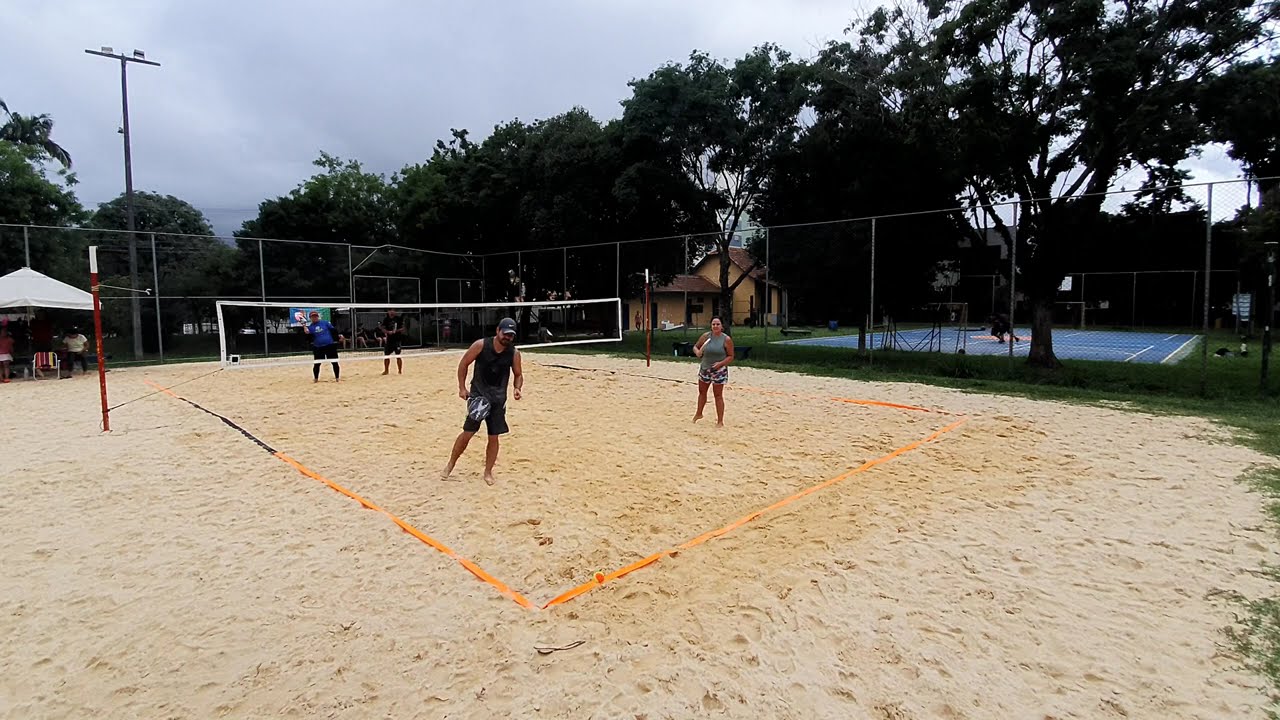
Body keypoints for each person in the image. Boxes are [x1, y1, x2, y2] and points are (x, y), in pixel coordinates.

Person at [442, 317, 523, 486]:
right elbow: (463, 364)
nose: (507, 337)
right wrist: (462, 388)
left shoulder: (514, 353)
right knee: (467, 433)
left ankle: (488, 472)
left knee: (494, 437)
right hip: (479, 396)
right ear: (498, 331)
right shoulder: (480, 345)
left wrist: (517, 388)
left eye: (511, 335)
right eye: (505, 334)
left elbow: (518, 374)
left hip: (498, 399)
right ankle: (450, 464)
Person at [692, 317, 734, 426]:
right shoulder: (706, 336)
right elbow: (696, 347)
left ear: (722, 326)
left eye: (717, 324)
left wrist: (720, 364)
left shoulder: (726, 339)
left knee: (718, 395)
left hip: (719, 370)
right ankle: (698, 413)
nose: (715, 326)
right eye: (713, 324)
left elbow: (730, 356)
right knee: (702, 393)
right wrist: (697, 352)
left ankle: (720, 421)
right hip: (705, 368)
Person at [302, 310, 343, 382]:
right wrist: (306, 330)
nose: (314, 318)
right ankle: (316, 379)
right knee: (317, 363)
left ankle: (337, 378)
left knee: (334, 362)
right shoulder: (310, 327)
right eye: (312, 317)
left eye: (315, 316)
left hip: (329, 345)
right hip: (318, 347)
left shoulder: (325, 323)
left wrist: (339, 336)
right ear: (310, 318)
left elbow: (333, 330)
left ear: (318, 317)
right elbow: (308, 337)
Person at [380, 308, 406, 375]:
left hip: (397, 340)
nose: (391, 312)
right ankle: (386, 370)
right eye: (390, 310)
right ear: (388, 312)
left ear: (395, 312)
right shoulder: (386, 319)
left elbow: (403, 328)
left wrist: (396, 331)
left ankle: (400, 371)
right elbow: (383, 328)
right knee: (386, 356)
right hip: (389, 340)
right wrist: (388, 332)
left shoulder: (399, 319)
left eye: (393, 310)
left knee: (398, 355)